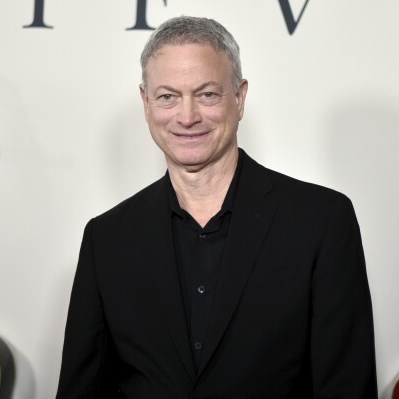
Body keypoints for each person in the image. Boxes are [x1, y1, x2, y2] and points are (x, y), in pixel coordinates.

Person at [56, 15, 377, 398]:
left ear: (239, 98)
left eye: (207, 94)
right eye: (167, 96)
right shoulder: (106, 238)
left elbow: (347, 388)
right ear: (146, 103)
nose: (187, 117)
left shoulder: (322, 221)